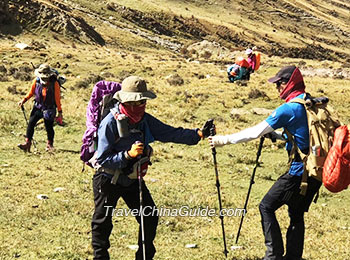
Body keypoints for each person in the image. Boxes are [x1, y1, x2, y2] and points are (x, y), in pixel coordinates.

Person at [91, 76, 211, 260]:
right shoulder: (109, 122)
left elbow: (170, 133)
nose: (139, 106)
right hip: (107, 179)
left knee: (149, 217)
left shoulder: (145, 120)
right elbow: (102, 159)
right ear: (124, 101)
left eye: (142, 102)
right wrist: (127, 155)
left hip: (131, 179)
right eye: (134, 102)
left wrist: (199, 134)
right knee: (102, 222)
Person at [209, 66, 321, 260]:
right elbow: (302, 136)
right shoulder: (309, 102)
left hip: (298, 173)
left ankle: (273, 256)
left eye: (279, 83)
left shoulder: (289, 108)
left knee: (266, 206)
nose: (277, 87)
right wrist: (278, 136)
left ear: (289, 83)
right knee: (296, 213)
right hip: (316, 171)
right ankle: (293, 256)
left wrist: (222, 140)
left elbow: (254, 132)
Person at [17, 63, 63, 152]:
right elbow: (31, 92)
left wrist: (60, 112)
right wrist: (23, 100)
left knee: (48, 126)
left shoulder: (55, 83)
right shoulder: (36, 81)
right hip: (37, 107)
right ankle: (27, 144)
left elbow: (57, 98)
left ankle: (50, 145)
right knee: (31, 124)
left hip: (49, 108)